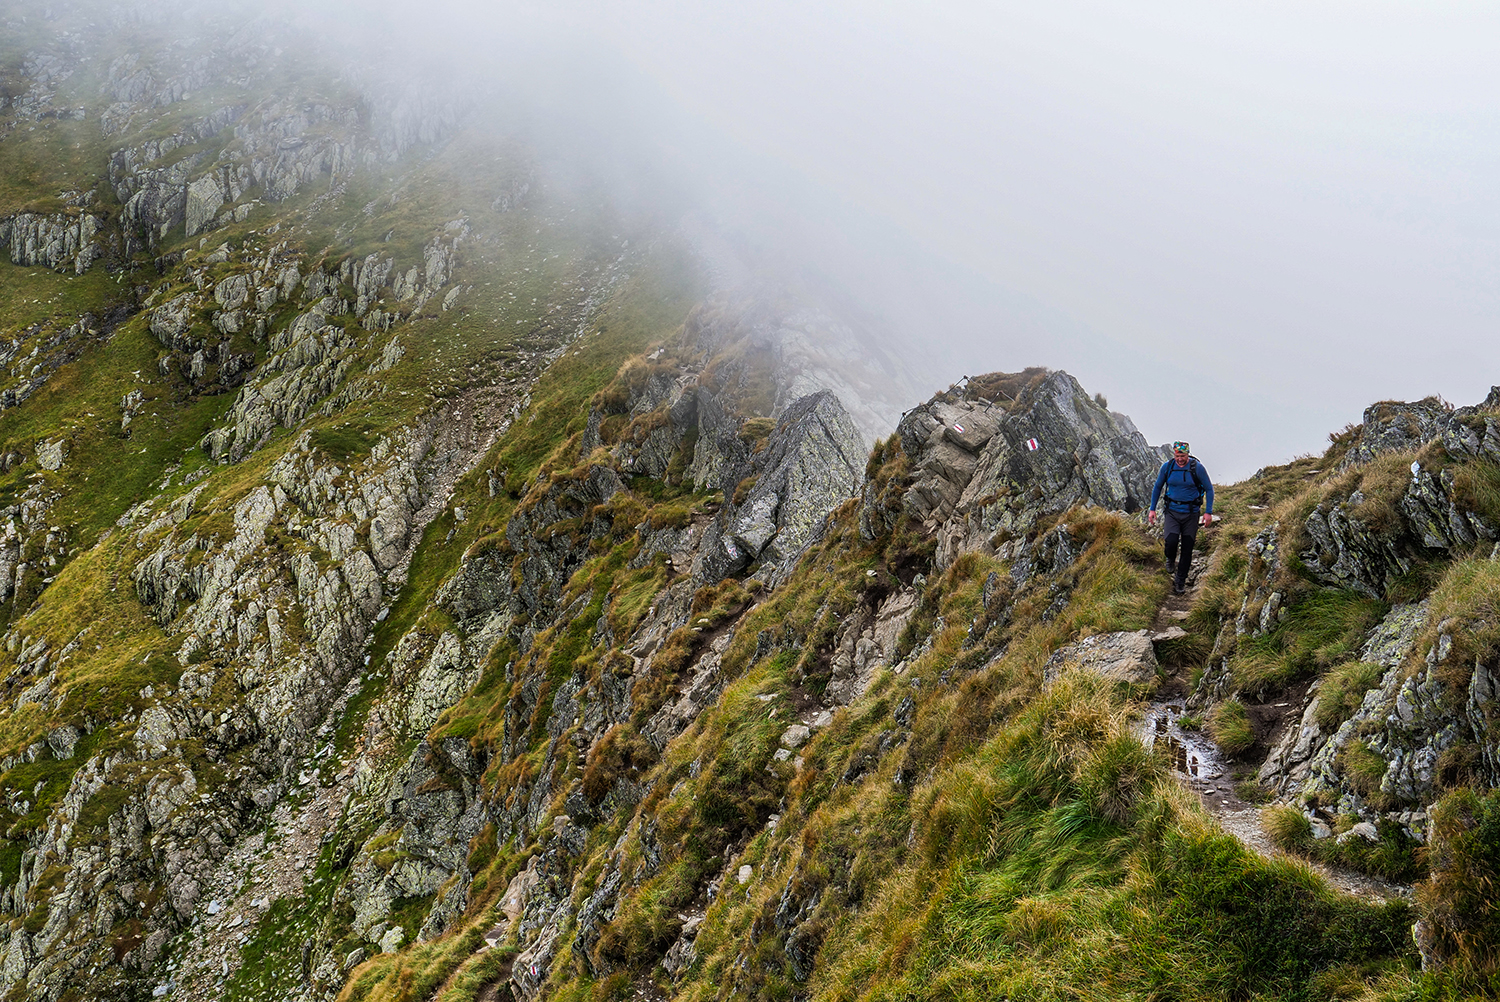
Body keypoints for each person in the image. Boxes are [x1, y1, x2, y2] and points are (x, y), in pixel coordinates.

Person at [1147, 441, 1213, 595]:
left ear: (1188, 454)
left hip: (1191, 514)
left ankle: (1180, 581)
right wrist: (1152, 509)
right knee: (1171, 541)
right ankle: (1170, 558)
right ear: (1174, 454)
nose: (1180, 459)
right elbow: (1158, 487)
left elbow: (1209, 489)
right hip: (1172, 512)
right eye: (1177, 455)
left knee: (1187, 549)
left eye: (1182, 456)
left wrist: (1208, 512)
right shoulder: (1168, 467)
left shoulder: (1197, 468)